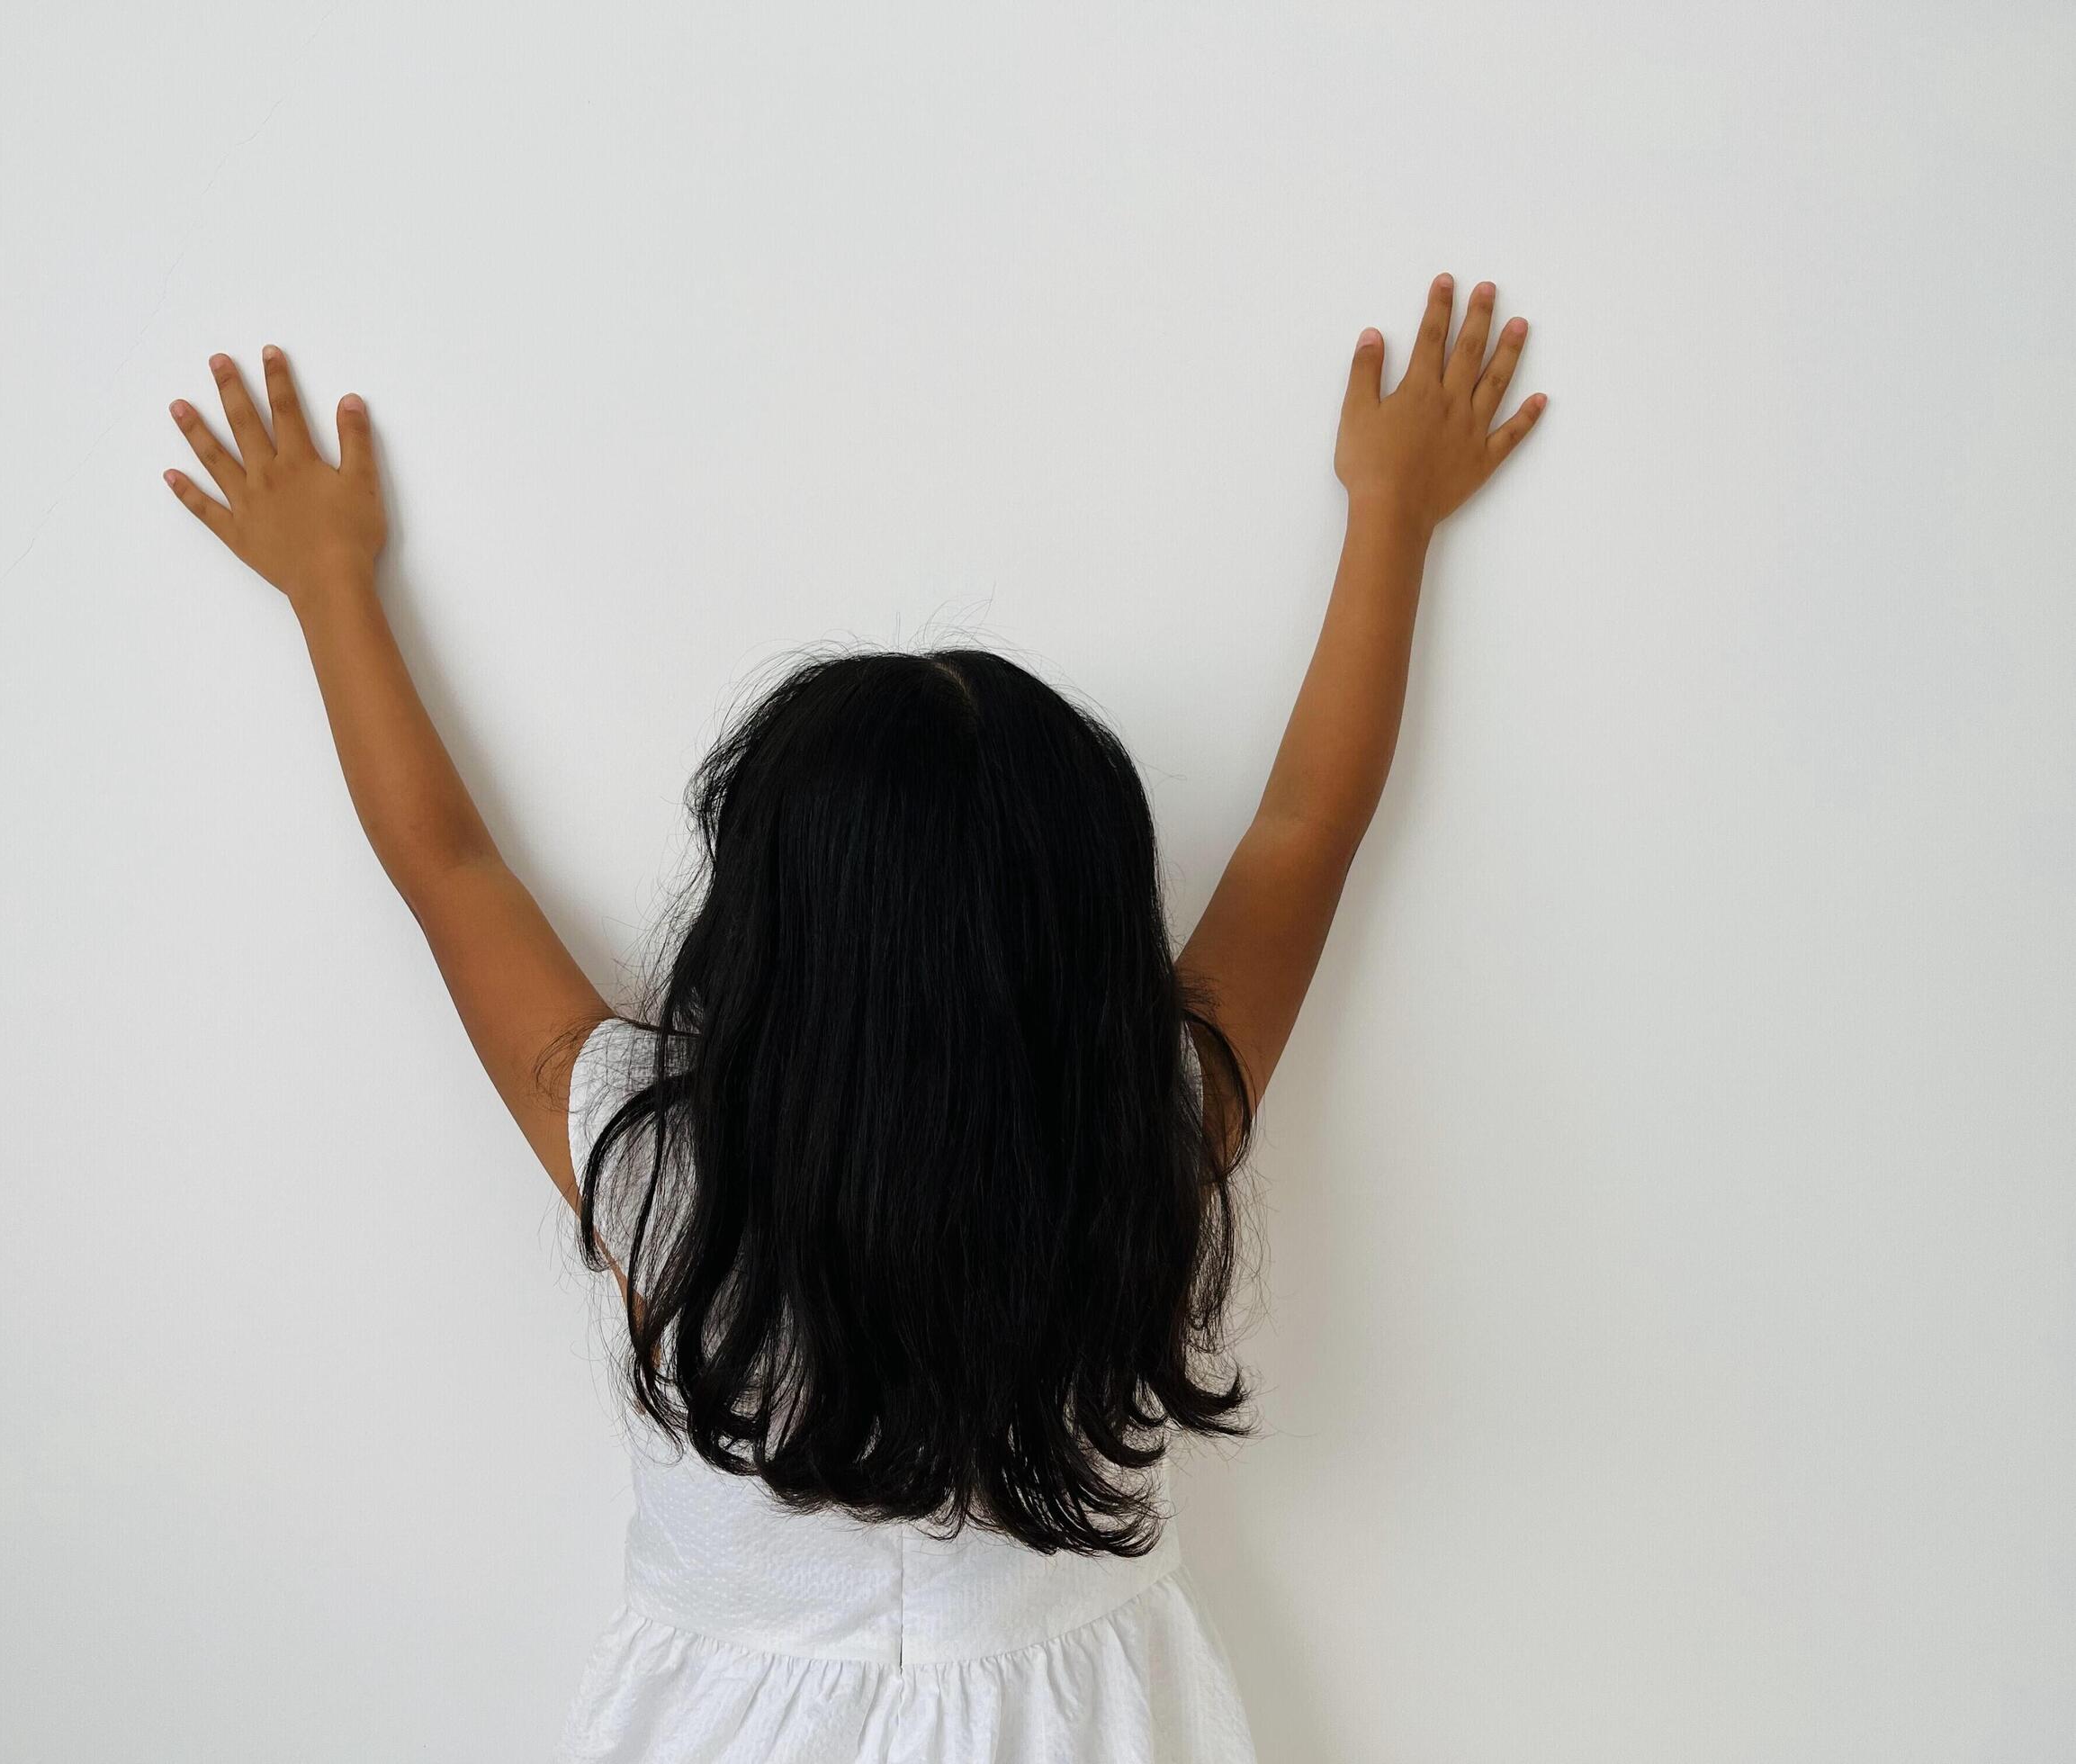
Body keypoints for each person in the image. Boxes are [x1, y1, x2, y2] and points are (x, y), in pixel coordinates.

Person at [161, 270, 1546, 1762]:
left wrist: (326, 583)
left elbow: (446, 868)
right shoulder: (1141, 1124)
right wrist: (1389, 517)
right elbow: (1298, 832)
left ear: (762, 928)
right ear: (1086, 932)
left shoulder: (656, 1168)